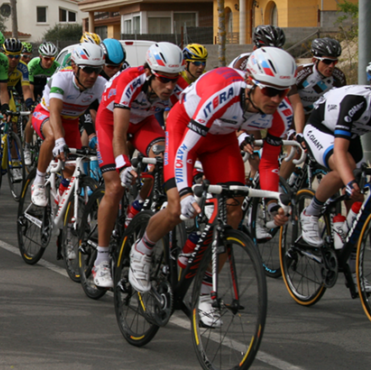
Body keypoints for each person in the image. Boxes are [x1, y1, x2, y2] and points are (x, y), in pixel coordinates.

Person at [129, 47, 295, 326]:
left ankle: (207, 292)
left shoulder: (279, 113)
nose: (277, 99)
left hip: (221, 141)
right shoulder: (224, 93)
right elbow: (184, 151)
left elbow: (268, 165)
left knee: (232, 211)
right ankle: (142, 248)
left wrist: (272, 204)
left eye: (283, 92)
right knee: (175, 209)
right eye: (270, 91)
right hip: (185, 131)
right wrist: (183, 192)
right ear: (252, 83)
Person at [91, 42, 185, 288]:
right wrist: (123, 166)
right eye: (163, 79)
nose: (170, 86)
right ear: (149, 73)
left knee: (162, 156)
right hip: (111, 122)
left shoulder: (178, 87)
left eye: (174, 80)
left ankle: (137, 210)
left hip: (143, 123)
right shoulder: (128, 82)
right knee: (114, 187)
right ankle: (100, 259)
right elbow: (119, 135)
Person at [30, 42, 108, 207]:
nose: (93, 75)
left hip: (72, 121)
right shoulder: (61, 78)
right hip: (46, 114)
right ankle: (38, 181)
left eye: (97, 70)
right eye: (87, 69)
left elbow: (106, 116)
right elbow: (55, 113)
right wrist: (59, 140)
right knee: (52, 138)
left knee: (71, 169)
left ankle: (62, 200)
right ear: (74, 66)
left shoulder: (101, 84)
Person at [298, 80, 371, 247]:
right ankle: (311, 213)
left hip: (351, 136)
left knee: (358, 198)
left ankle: (346, 237)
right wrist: (349, 182)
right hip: (320, 129)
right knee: (345, 170)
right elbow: (339, 151)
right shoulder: (356, 101)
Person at [282, 38, 346, 183]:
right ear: (314, 60)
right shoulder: (301, 73)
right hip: (290, 111)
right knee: (296, 149)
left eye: (334, 62)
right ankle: (278, 187)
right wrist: (298, 133)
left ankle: (300, 175)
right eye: (327, 61)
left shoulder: (338, 77)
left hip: (313, 113)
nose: (331, 66)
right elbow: (296, 104)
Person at [0, 37, 34, 112]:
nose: (13, 59)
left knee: (13, 117)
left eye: (17, 56)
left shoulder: (23, 67)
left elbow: (26, 89)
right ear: (4, 54)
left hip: (7, 92)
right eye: (10, 56)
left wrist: (30, 104)